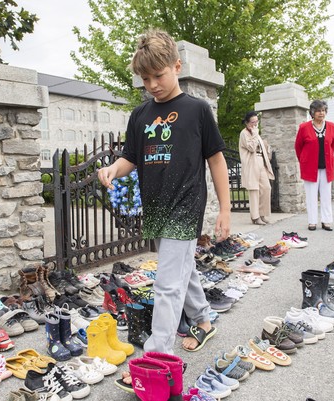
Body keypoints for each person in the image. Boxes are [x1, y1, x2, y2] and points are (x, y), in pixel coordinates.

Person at [97, 29, 231, 354]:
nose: (153, 84)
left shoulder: (197, 110)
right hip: (155, 206)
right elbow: (131, 156)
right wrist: (114, 168)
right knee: (181, 266)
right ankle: (203, 319)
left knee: (167, 283)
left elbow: (216, 159)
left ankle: (158, 355)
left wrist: (225, 210)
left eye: (158, 75)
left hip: (185, 206)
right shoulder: (140, 115)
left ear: (177, 66)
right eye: (145, 79)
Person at [295, 100, 334, 231]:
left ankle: (326, 221)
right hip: (309, 167)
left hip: (326, 167)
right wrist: (303, 160)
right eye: (319, 110)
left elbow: (332, 146)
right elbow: (298, 147)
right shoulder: (304, 127)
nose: (321, 113)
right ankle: (312, 222)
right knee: (311, 196)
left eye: (324, 110)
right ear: (312, 113)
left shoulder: (332, 127)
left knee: (326, 196)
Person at [239, 111, 275, 225]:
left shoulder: (256, 133)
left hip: (260, 161)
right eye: (253, 122)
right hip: (251, 163)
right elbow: (251, 148)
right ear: (247, 123)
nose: (255, 124)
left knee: (266, 187)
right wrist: (255, 134)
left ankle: (262, 213)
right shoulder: (244, 133)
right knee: (254, 190)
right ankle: (255, 217)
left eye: (256, 121)